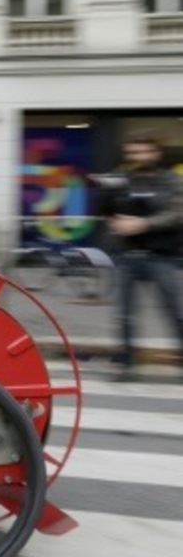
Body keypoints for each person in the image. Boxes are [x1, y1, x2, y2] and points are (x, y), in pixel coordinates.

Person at [96, 133, 183, 381]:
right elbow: (106, 210)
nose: (139, 157)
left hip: (161, 256)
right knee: (124, 314)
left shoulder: (171, 180)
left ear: (156, 152)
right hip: (127, 255)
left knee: (175, 312)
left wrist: (142, 224)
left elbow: (177, 214)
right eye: (134, 153)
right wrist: (111, 216)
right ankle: (125, 365)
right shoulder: (123, 178)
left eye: (144, 151)